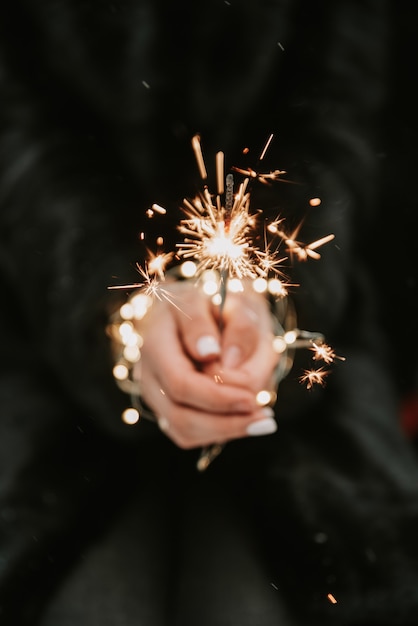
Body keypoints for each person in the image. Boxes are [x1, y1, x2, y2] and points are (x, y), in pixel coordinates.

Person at [1, 1, 418, 625]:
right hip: (44, 336)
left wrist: (273, 297)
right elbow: (19, 132)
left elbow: (336, 117)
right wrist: (118, 318)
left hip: (316, 374)